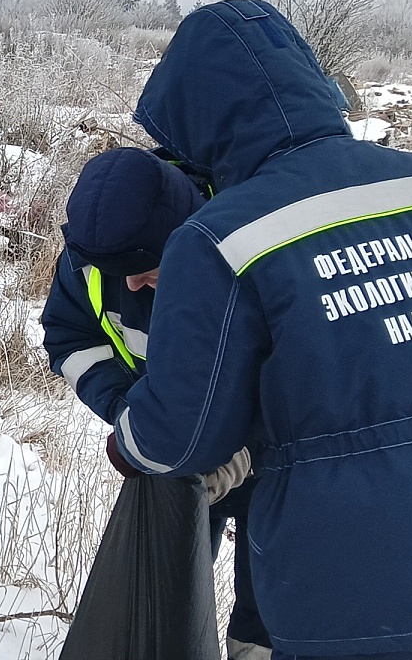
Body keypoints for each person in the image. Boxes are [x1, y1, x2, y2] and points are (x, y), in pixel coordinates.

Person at [110, 0, 412, 659]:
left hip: (367, 585)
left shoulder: (223, 237)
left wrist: (127, 445)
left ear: (194, 116)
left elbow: (181, 437)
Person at [43, 146, 271, 660]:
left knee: (267, 616)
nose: (130, 285)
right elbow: (68, 336)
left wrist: (248, 448)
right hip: (174, 466)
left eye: (148, 268)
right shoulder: (91, 252)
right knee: (167, 592)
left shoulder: (246, 244)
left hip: (274, 472)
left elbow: (301, 373)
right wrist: (134, 419)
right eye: (115, 270)